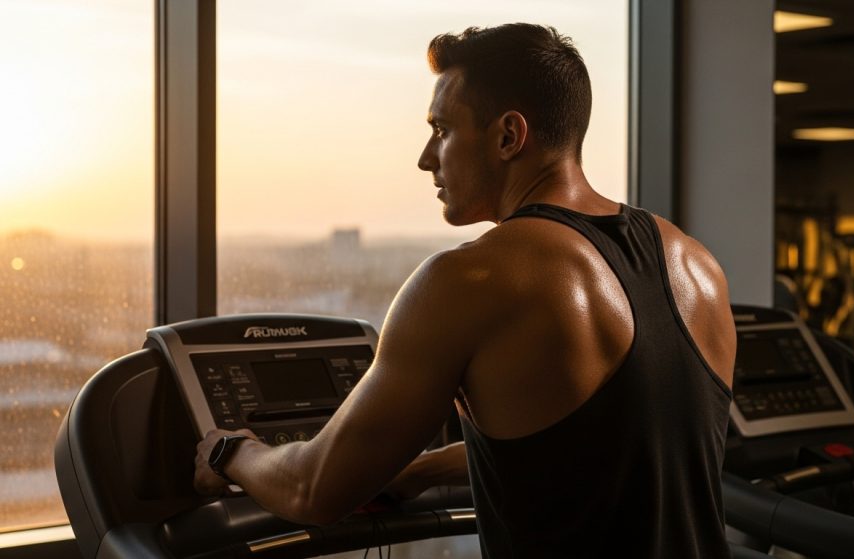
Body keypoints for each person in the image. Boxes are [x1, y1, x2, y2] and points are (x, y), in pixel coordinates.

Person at [194, 23, 735, 558]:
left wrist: (230, 451)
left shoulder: (470, 280)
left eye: (442, 129)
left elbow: (310, 489)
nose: (427, 157)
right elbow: (621, 444)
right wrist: (423, 470)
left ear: (507, 136)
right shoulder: (695, 264)